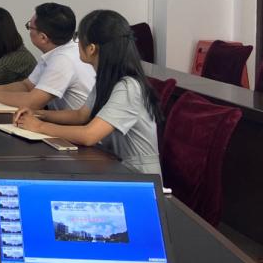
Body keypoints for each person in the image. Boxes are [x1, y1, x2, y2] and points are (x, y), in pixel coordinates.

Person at [11, 10, 163, 175]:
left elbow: (89, 135)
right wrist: (39, 114)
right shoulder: (106, 78)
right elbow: (81, 115)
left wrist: (39, 126)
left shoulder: (128, 87)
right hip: (114, 164)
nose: (76, 43)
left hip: (139, 176)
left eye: (78, 37)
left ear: (91, 49)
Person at [0, 2, 94, 110]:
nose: (29, 30)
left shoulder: (63, 59)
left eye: (30, 26)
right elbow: (26, 86)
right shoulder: (57, 51)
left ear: (43, 37)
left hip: (77, 127)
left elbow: (32, 102)